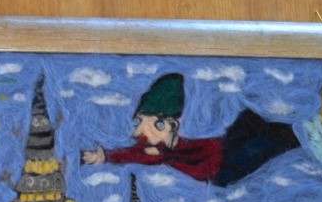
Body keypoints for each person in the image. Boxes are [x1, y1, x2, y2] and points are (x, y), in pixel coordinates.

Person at [81, 73, 300, 186]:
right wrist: (105, 156)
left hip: (220, 146)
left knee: (248, 119)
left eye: (158, 125)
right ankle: (300, 133)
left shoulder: (168, 142)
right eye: (140, 123)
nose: (145, 132)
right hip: (222, 169)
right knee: (266, 144)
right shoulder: (155, 150)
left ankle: (294, 119)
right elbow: (134, 155)